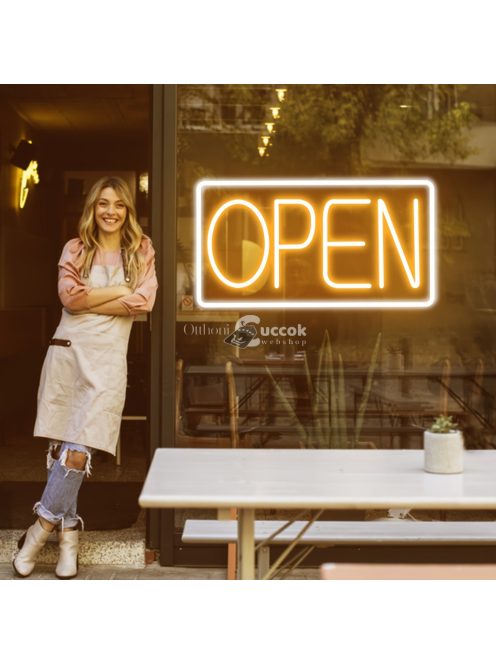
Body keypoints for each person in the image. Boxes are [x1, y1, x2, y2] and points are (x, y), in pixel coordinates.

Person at [12, 176, 158, 579]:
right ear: (92, 209)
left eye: (119, 205)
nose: (110, 211)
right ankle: (69, 537)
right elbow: (69, 299)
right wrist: (118, 293)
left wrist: (93, 300)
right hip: (69, 356)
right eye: (102, 204)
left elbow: (144, 300)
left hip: (108, 362)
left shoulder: (140, 250)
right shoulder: (75, 249)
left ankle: (39, 530)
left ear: (128, 211)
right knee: (63, 448)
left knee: (79, 451)